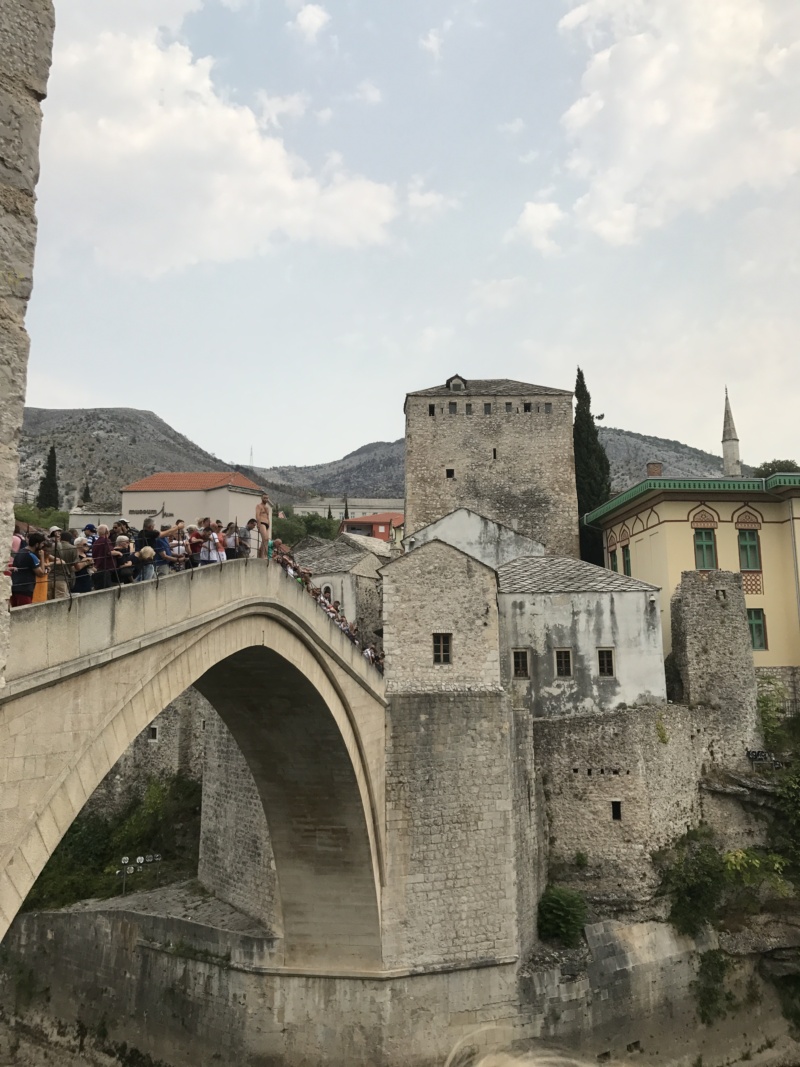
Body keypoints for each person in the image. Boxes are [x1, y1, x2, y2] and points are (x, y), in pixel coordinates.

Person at [9, 532, 47, 607]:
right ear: (36, 544)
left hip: (15, 587)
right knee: (24, 613)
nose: (43, 546)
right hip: (25, 589)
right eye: (42, 544)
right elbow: (41, 573)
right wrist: (42, 557)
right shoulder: (31, 555)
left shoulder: (20, 552)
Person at [48, 526, 78, 600]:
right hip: (62, 578)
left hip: (48, 578)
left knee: (48, 603)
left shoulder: (48, 547)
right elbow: (75, 565)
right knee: (60, 603)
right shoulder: (72, 548)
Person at [91, 525, 115, 590]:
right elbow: (109, 552)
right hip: (104, 569)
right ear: (107, 532)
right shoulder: (106, 540)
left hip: (97, 568)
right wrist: (119, 552)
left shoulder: (96, 542)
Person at [255, 494, 272, 559]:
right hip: (262, 522)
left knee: (266, 540)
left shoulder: (267, 508)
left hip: (267, 524)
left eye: (267, 498)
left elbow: (268, 517)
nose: (266, 499)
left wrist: (269, 526)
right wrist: (258, 524)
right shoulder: (258, 506)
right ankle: (262, 556)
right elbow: (257, 515)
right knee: (265, 539)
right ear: (262, 498)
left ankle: (262, 554)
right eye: (265, 498)